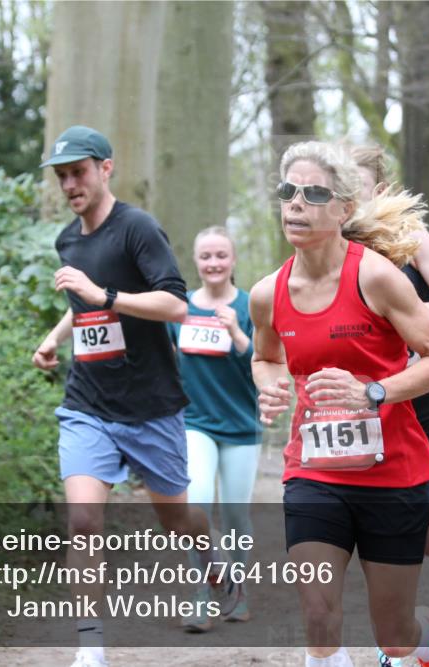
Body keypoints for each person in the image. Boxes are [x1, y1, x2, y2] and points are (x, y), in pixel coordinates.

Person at [32, 125, 239, 667]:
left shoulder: (138, 229)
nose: (70, 184)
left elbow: (174, 305)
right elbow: (85, 305)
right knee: (82, 519)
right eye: (62, 177)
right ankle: (91, 647)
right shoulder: (68, 240)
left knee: (176, 519)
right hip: (88, 403)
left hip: (150, 405)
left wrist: (106, 296)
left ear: (106, 168)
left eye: (79, 172)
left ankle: (214, 559)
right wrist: (56, 337)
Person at [250, 140, 429, 667]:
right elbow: (266, 357)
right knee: (319, 616)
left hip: (392, 474)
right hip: (313, 474)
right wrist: (271, 382)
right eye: (288, 192)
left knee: (394, 635)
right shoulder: (266, 293)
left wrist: (373, 391)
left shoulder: (376, 276)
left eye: (314, 193)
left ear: (345, 208)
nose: (296, 204)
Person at [349, 144, 429, 667]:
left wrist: (397, 311)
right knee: (379, 535)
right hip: (370, 405)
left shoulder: (410, 239)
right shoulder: (329, 248)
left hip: (425, 397)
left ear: (377, 192)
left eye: (351, 187)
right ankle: (398, 649)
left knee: (428, 538)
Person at [167, 226, 262, 631]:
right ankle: (202, 593)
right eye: (206, 256)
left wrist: (238, 333)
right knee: (197, 508)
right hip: (195, 423)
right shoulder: (180, 308)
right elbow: (165, 360)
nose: (213, 263)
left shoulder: (250, 306)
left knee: (236, 515)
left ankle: (237, 589)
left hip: (241, 425)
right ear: (196, 262)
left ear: (233, 260)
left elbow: (265, 362)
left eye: (221, 255)